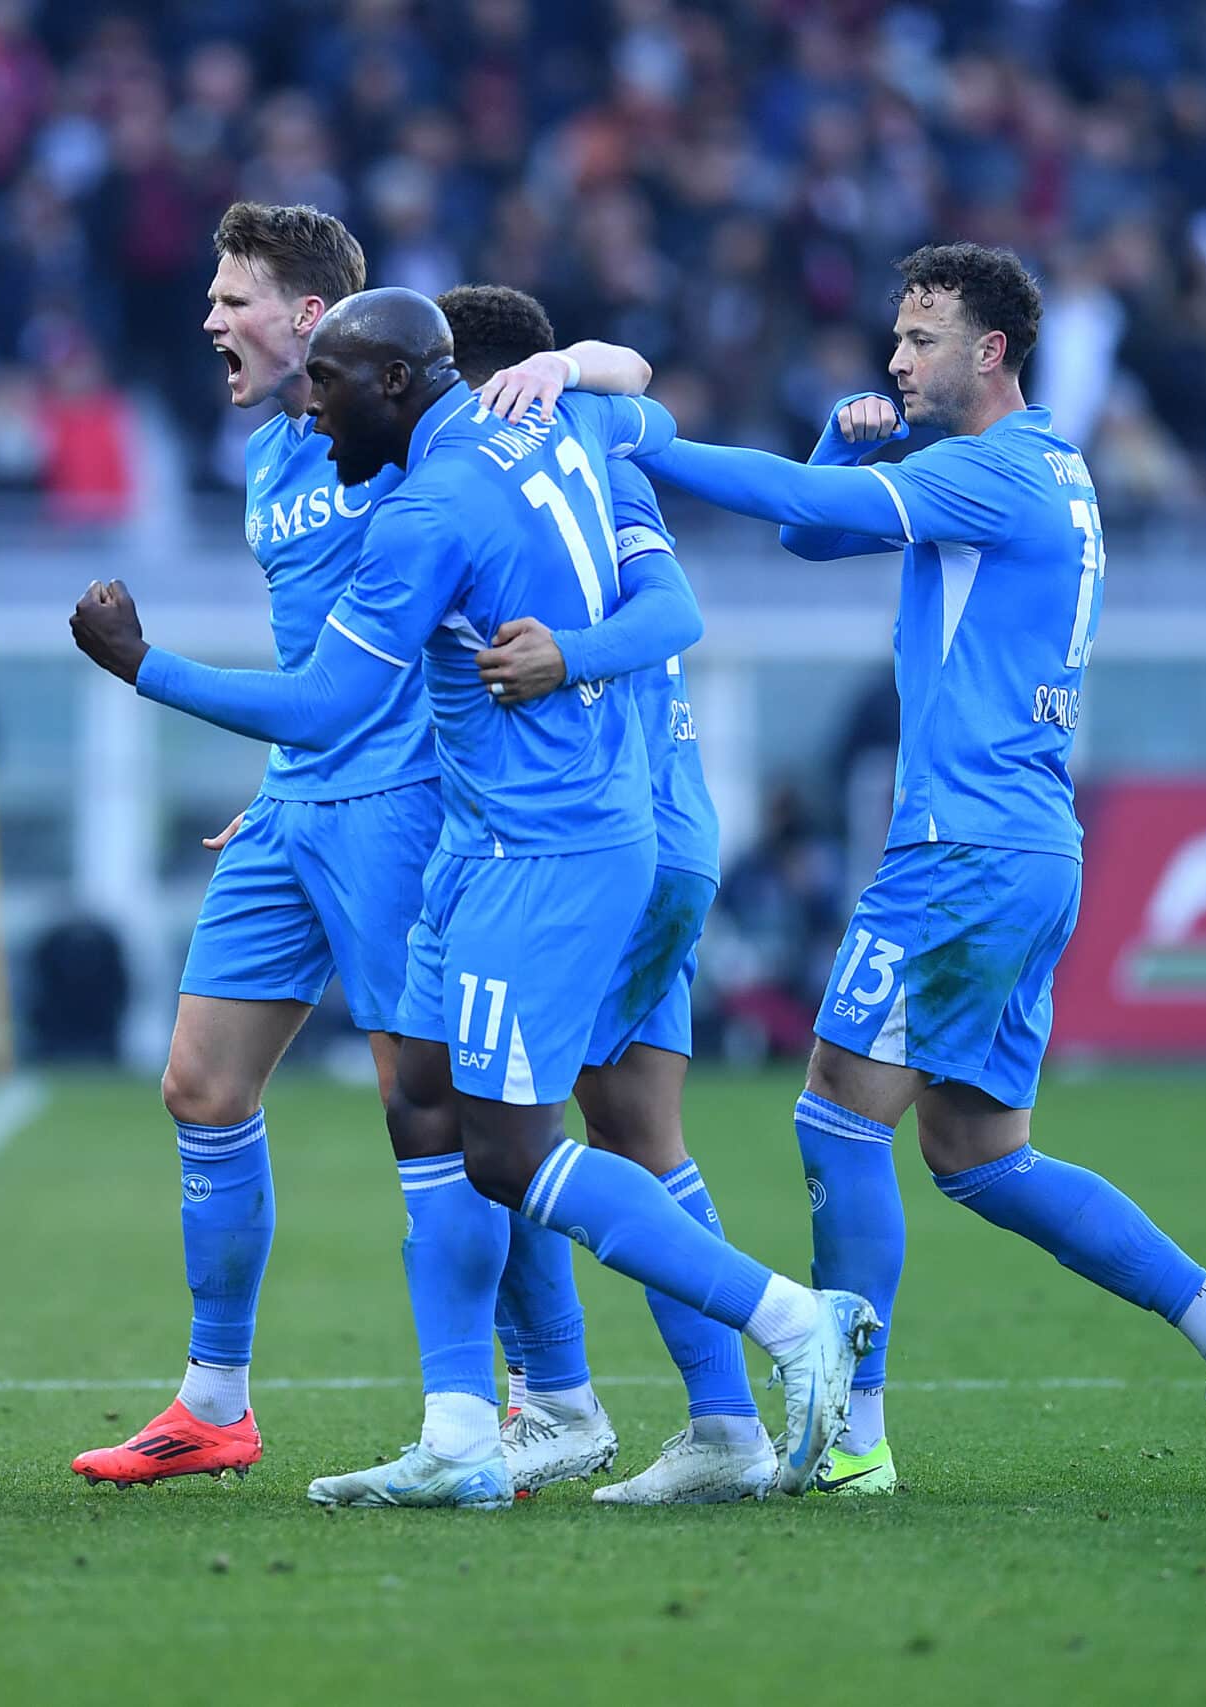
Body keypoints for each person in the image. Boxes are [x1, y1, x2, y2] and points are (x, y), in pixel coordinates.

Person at [73, 287, 878, 1507]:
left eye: (327, 388)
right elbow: (634, 396)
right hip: (512, 836)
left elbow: (329, 706)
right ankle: (478, 1431)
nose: (311, 412)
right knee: (439, 1110)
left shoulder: (427, 509)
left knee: (518, 1146)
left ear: (400, 382)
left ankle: (780, 1322)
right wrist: (583, 364)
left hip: (542, 851)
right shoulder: (567, 424)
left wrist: (147, 669)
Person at [634, 242, 1206, 1495]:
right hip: (1025, 842)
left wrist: (643, 442)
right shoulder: (1046, 468)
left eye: (921, 337)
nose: (896, 357)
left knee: (838, 1117)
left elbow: (814, 514)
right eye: (895, 335)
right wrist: (841, 451)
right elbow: (812, 528)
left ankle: (853, 1436)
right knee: (979, 1153)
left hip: (962, 846)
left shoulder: (991, 474)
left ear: (991, 350)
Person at [69, 206, 653, 1489]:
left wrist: (570, 362)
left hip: (406, 806)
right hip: (294, 804)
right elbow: (314, 665)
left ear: (313, 320)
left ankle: (551, 1395)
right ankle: (214, 1401)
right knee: (201, 1086)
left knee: (442, 1111)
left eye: (234, 300)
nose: (212, 320)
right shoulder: (284, 456)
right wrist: (276, 775)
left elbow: (621, 391)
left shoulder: (401, 430)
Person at [441, 284, 773, 1505]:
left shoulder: (532, 455)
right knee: (634, 1131)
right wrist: (589, 362)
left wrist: (575, 363)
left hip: (605, 837)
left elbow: (676, 607)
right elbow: (652, 395)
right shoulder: (588, 450)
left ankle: (563, 1400)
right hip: (667, 835)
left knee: (495, 1117)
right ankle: (726, 1426)